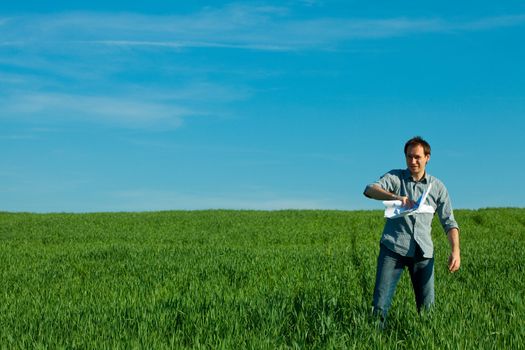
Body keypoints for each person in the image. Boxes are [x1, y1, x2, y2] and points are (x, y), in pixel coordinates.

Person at [363, 136, 460, 325]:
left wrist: (455, 250)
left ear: (427, 158)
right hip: (393, 249)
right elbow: (369, 190)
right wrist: (396, 197)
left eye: (417, 157)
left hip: (423, 253)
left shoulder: (438, 187)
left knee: (427, 309)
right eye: (409, 157)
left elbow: (449, 222)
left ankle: (425, 340)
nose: (413, 161)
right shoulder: (395, 178)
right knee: (380, 305)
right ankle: (374, 338)